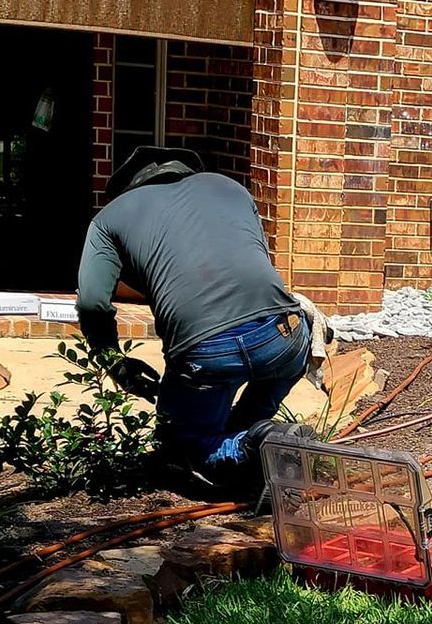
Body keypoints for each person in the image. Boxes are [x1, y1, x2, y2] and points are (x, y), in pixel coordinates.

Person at [75, 146, 311, 486]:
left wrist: (115, 362)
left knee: (182, 444)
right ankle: (267, 441)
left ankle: (256, 444)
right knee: (257, 395)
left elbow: (92, 303)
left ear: (127, 187)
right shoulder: (232, 188)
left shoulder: (109, 218)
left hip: (208, 351)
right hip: (284, 335)